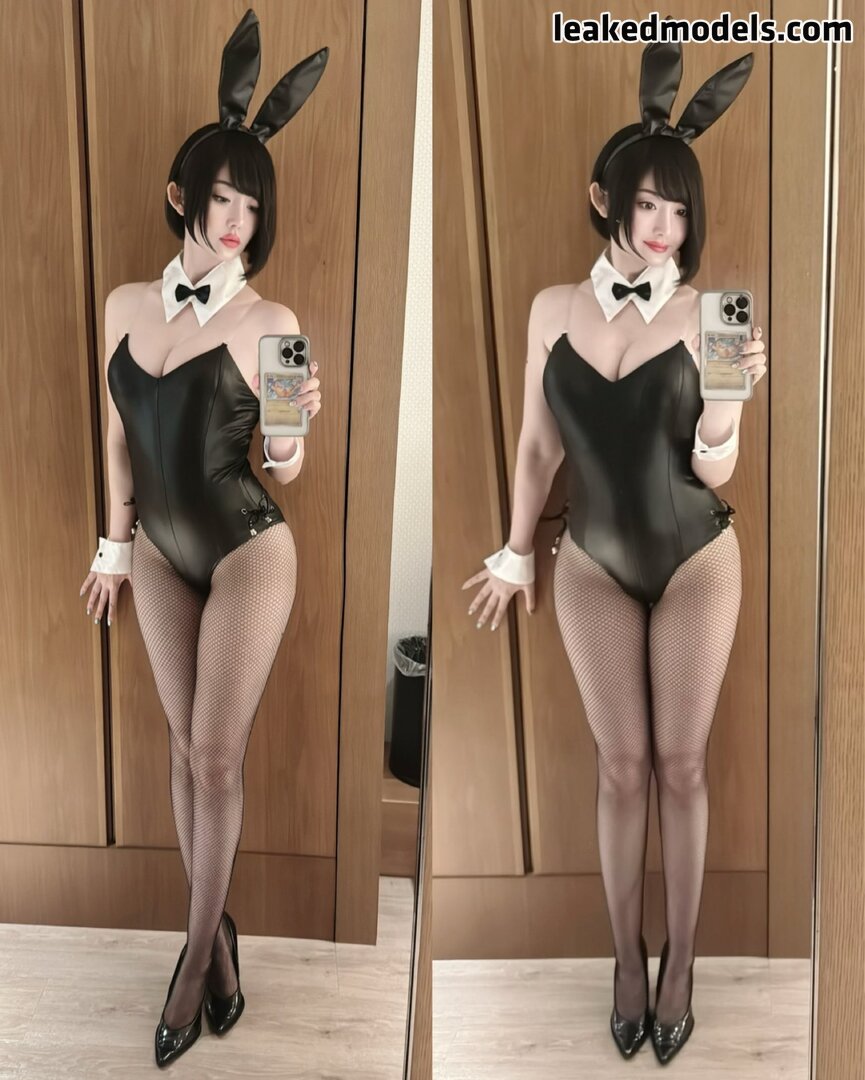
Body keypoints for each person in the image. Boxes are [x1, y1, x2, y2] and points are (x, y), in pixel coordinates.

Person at [462, 42, 767, 1065]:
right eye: (646, 205)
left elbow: (715, 470)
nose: (663, 227)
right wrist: (514, 553)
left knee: (680, 764)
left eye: (679, 210)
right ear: (605, 200)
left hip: (696, 559)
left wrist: (725, 406)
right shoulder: (550, 308)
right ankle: (625, 959)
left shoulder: (718, 314)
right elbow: (535, 447)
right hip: (588, 559)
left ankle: (681, 961)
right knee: (621, 765)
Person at [77, 10, 327, 1068]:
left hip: (246, 551)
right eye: (223, 197)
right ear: (182, 194)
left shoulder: (275, 323)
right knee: (185, 750)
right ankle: (216, 936)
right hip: (160, 556)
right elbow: (116, 438)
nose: (237, 220)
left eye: (252, 204)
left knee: (217, 754)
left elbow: (285, 469)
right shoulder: (122, 304)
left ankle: (192, 960)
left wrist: (293, 428)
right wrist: (111, 547)